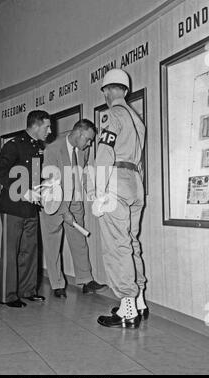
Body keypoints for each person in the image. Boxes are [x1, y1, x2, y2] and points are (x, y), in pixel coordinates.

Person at [92, 69, 148, 329]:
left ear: (106, 91)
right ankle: (140, 301)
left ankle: (127, 308)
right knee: (132, 242)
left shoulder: (111, 114)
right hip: (135, 183)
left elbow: (104, 153)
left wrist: (98, 192)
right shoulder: (137, 119)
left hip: (115, 182)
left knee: (117, 246)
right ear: (125, 90)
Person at [40, 119, 107, 298]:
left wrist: (94, 197)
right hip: (53, 202)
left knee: (79, 241)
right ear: (78, 134)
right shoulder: (53, 148)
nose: (90, 144)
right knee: (53, 243)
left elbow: (83, 174)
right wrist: (64, 211)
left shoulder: (82, 150)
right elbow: (50, 184)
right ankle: (57, 284)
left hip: (74, 199)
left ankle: (85, 280)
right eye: (89, 139)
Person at [0, 110, 51, 308]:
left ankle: (27, 290)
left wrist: (46, 184)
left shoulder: (37, 147)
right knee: (12, 251)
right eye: (47, 127)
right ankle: (8, 295)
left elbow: (34, 176)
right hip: (12, 205)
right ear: (35, 126)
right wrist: (23, 192)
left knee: (30, 249)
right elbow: (0, 171)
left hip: (31, 206)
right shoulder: (14, 144)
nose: (49, 131)